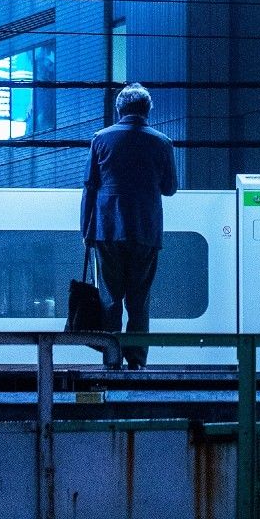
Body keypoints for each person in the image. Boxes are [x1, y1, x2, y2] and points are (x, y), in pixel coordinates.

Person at [80, 82, 178, 368]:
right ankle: (136, 361)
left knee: (110, 299)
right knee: (139, 301)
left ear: (119, 109)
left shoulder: (101, 139)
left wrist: (86, 230)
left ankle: (111, 361)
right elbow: (170, 188)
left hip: (107, 229)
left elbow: (90, 188)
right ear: (147, 110)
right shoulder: (162, 142)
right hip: (146, 230)